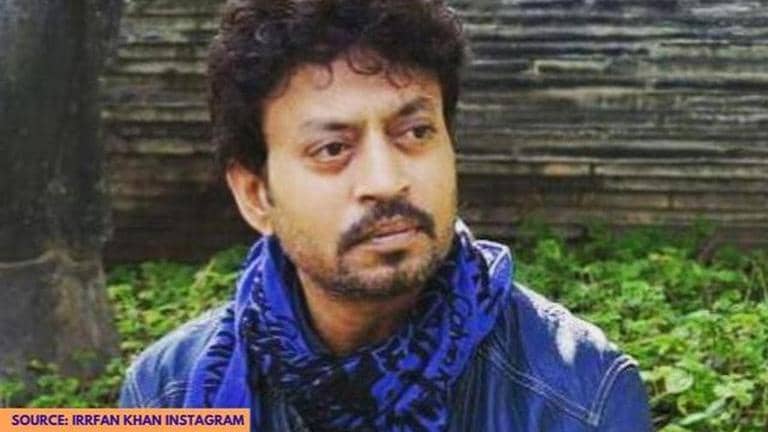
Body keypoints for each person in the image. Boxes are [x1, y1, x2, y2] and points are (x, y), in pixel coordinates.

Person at [119, 0, 653, 430]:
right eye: (332, 149)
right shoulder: (165, 391)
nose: (385, 180)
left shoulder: (580, 396)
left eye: (415, 133)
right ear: (256, 195)